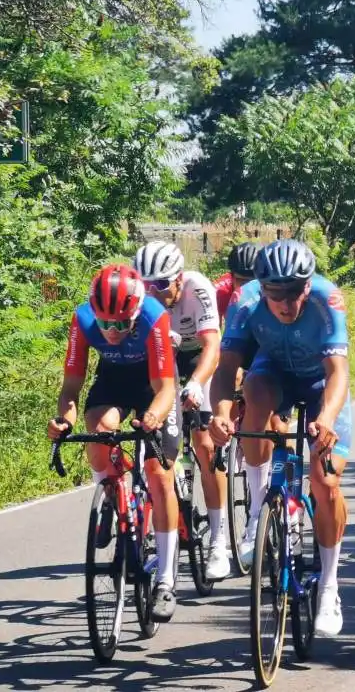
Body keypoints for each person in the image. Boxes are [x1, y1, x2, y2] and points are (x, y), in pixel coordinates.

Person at [209, 238, 351, 637]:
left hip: (320, 382)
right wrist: (221, 411)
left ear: (308, 285)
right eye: (276, 293)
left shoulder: (328, 299)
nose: (286, 303)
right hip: (274, 373)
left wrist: (326, 418)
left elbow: (338, 372)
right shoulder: (245, 302)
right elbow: (226, 370)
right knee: (253, 394)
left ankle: (329, 588)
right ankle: (258, 512)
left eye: (295, 292)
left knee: (325, 484)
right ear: (262, 288)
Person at [47, 264, 182, 621]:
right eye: (105, 322)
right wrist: (64, 421)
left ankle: (166, 580)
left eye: (121, 324)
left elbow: (166, 388)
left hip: (153, 383)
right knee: (99, 427)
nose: (111, 331)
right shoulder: (83, 319)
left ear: (136, 313)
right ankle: (109, 491)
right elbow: (72, 387)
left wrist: (152, 416)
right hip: (113, 380)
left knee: (159, 472)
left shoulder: (154, 316)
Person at [133, 241, 228, 580]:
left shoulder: (198, 288)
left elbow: (212, 347)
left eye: (161, 284)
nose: (154, 293)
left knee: (204, 447)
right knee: (155, 445)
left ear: (179, 278)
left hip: (197, 357)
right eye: (147, 286)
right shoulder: (141, 299)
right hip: (162, 361)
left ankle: (219, 543)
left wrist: (197, 384)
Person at [214, 242, 261, 324]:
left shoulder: (272, 291)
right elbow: (214, 331)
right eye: (241, 281)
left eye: (252, 281)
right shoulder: (219, 292)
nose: (247, 287)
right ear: (231, 277)